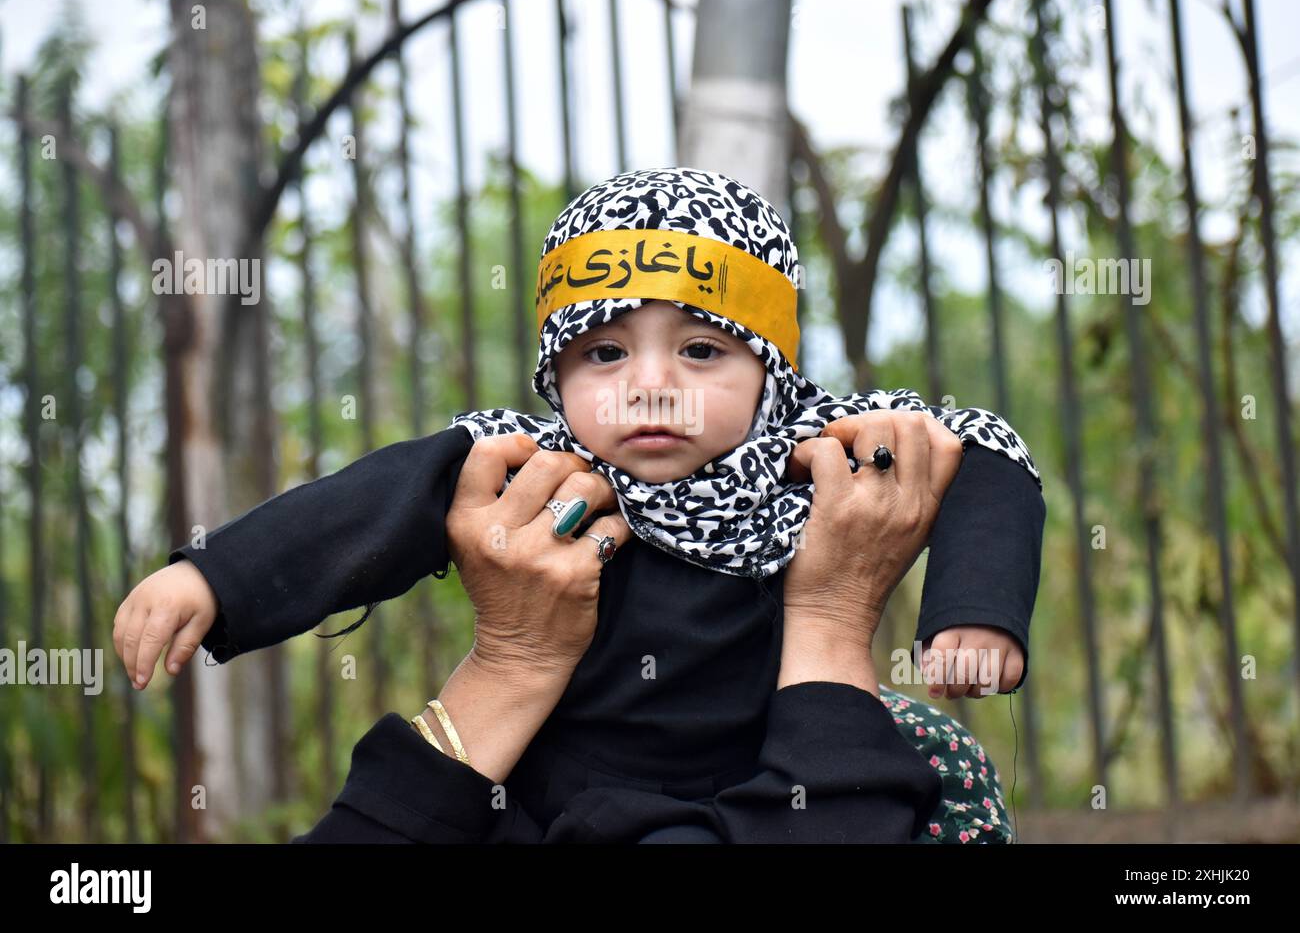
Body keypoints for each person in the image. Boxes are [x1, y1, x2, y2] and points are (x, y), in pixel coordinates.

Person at [114, 167, 1044, 842]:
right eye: (604, 353)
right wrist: (217, 577)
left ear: (774, 372)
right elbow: (366, 505)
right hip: (540, 794)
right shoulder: (528, 466)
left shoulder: (814, 453)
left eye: (700, 351)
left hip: (751, 793)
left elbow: (988, 457)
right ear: (555, 369)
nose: (650, 387)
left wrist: (973, 615)